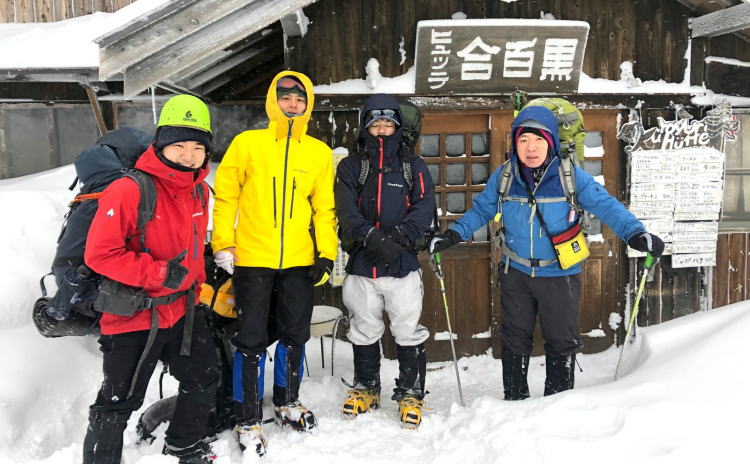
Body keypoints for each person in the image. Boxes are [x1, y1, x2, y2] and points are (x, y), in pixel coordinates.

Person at [429, 105, 664, 400]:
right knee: (514, 341)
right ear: (515, 142)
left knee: (561, 341)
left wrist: (635, 233)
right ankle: (514, 402)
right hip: (516, 272)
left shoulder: (569, 177)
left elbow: (607, 206)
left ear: (551, 141)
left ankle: (558, 405)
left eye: (539, 139)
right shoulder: (505, 176)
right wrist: (454, 234)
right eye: (524, 139)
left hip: (559, 274)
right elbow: (481, 210)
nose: (531, 148)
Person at [82, 94, 219, 464]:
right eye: (179, 146)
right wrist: (159, 273)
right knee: (117, 404)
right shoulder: (130, 189)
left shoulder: (199, 190)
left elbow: (193, 248)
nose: (189, 155)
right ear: (160, 144)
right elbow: (100, 254)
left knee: (204, 378)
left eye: (198, 147)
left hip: (182, 311)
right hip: (134, 315)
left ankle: (184, 445)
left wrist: (198, 285)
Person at [211, 71, 337, 456]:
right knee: (250, 338)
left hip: (298, 261)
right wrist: (223, 244)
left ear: (308, 104)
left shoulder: (318, 152)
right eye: (286, 98)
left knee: (295, 334)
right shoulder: (248, 144)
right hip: (252, 260)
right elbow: (226, 197)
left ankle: (287, 401)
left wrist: (327, 254)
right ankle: (247, 416)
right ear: (273, 101)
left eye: (300, 99)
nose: (292, 104)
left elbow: (324, 208)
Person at [334, 94, 435, 429]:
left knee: (407, 329)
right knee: (364, 327)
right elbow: (346, 210)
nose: (381, 129)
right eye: (375, 123)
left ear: (397, 127)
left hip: (402, 266)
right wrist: (372, 238)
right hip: (363, 265)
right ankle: (367, 388)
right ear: (365, 126)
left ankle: (411, 392)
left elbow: (424, 208)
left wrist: (399, 239)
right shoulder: (351, 166)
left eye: (387, 123)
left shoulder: (413, 166)